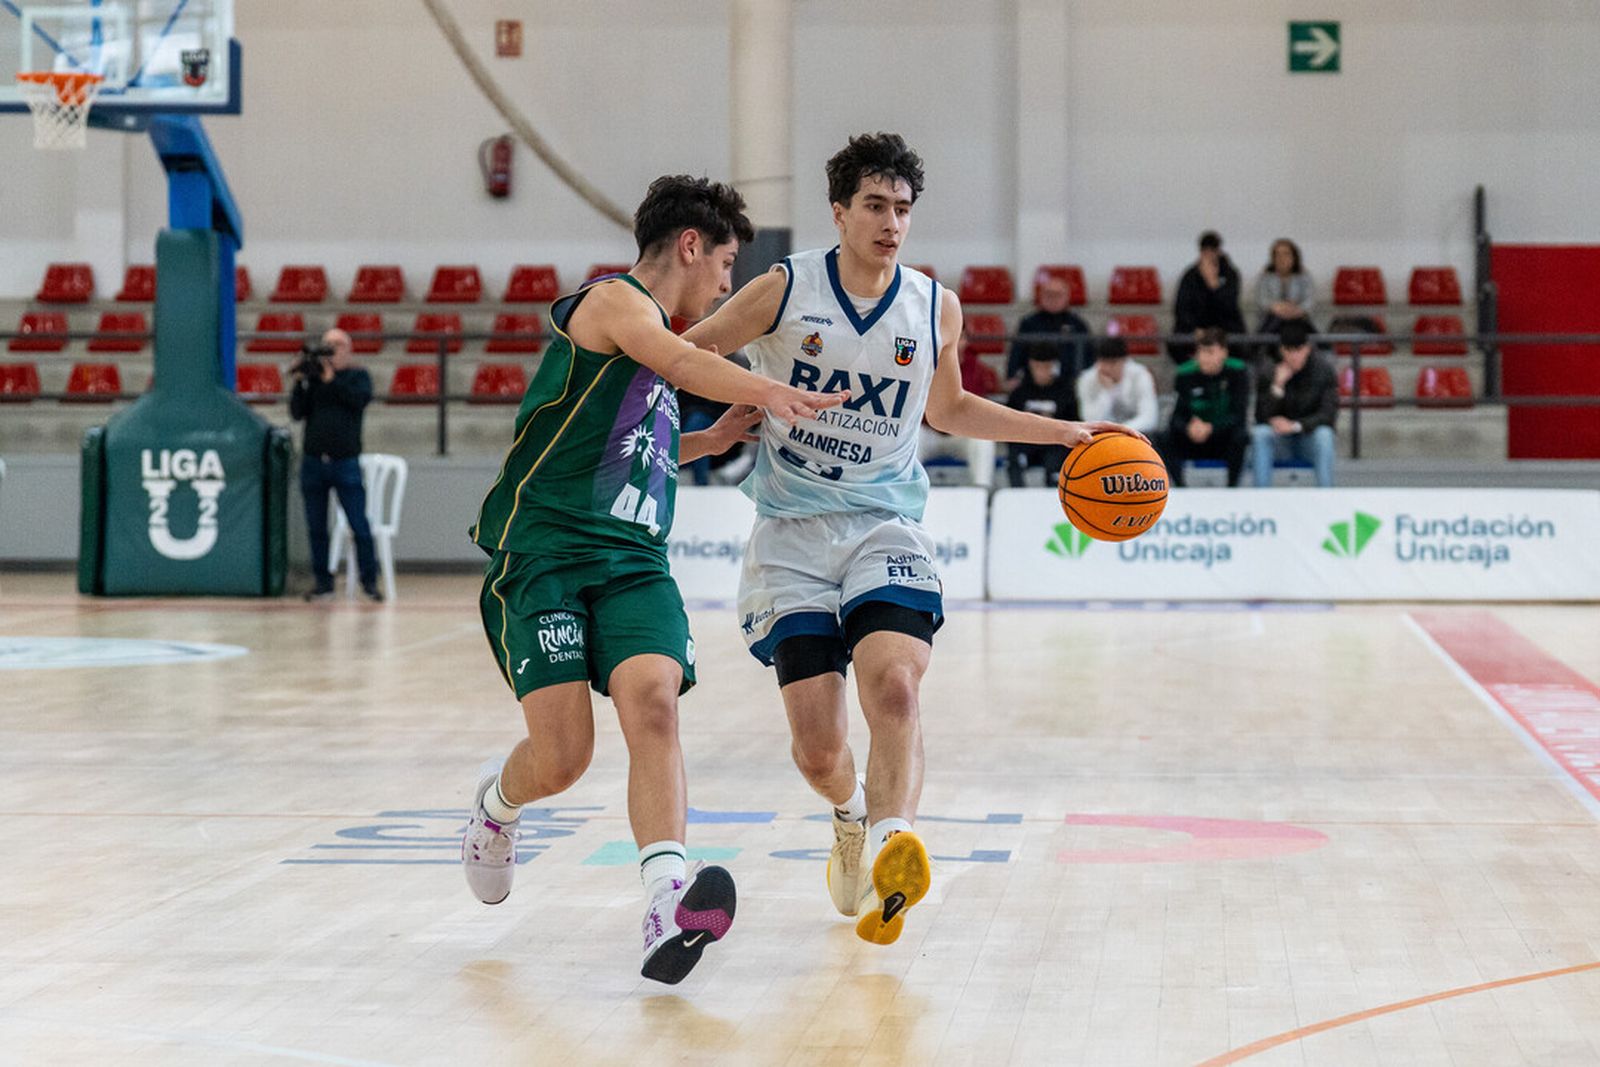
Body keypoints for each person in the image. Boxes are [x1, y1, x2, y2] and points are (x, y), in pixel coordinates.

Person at [684, 132, 1144, 946]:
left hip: (884, 525)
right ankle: (852, 817)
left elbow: (949, 410)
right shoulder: (784, 289)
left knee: (895, 688)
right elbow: (685, 354)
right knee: (818, 748)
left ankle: (895, 843)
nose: (891, 221)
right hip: (790, 534)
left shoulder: (934, 306)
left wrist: (1062, 431)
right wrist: (722, 422)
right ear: (838, 211)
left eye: (902, 208)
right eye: (874, 205)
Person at [460, 175, 845, 985]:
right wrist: (771, 389)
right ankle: (497, 807)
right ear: (690, 245)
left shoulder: (654, 350)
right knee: (563, 757)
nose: (726, 285)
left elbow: (649, 451)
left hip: (634, 561)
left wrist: (715, 438)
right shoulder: (614, 307)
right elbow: (678, 357)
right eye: (727, 264)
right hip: (547, 556)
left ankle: (666, 897)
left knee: (655, 705)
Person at [289, 328, 380, 602]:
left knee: (359, 524)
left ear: (348, 349)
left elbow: (358, 402)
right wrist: (300, 381)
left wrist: (331, 381)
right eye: (327, 345)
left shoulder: (357, 377)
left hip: (345, 462)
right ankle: (323, 582)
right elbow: (296, 413)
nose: (332, 351)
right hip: (314, 462)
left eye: (337, 346)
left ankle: (369, 581)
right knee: (316, 527)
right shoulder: (313, 381)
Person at [1252, 319, 1339, 487]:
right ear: (1281, 350)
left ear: (1307, 348)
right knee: (1260, 434)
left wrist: (1295, 426)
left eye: (1298, 350)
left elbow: (1328, 415)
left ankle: (1327, 496)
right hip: (1280, 440)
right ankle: (1260, 498)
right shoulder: (1269, 372)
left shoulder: (1324, 371)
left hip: (1308, 438)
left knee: (1325, 436)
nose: (1294, 356)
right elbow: (1261, 416)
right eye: (1288, 350)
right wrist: (1277, 387)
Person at [1163, 327, 1252, 488]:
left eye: (1210, 352)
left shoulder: (1237, 372)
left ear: (1224, 352)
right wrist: (1188, 427)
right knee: (1163, 438)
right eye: (1201, 352)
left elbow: (1239, 415)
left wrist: (1211, 427)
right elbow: (1176, 416)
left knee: (1241, 436)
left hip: (1222, 437)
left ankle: (1232, 489)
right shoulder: (1185, 374)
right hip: (1193, 437)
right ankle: (1181, 487)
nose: (1204, 358)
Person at [1003, 272, 1092, 390]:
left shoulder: (1078, 324)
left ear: (1067, 297)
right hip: (1032, 384)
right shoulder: (1028, 323)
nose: (1053, 298)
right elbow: (1016, 352)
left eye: (1057, 294)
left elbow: (1090, 356)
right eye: (1048, 294)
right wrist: (1011, 375)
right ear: (1040, 296)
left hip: (1070, 385)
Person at [1004, 352, 1078, 486]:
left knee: (1056, 462)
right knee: (1014, 458)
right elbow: (1008, 419)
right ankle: (1015, 494)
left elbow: (1074, 421)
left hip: (1055, 442)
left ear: (1053, 367)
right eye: (1038, 367)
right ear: (1031, 366)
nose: (1041, 372)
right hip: (1026, 441)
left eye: (1046, 367)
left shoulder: (1065, 391)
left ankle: (1054, 496)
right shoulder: (1020, 392)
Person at [1171, 230, 1245, 364]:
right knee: (1176, 341)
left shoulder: (1230, 274)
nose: (1209, 255)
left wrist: (1213, 285)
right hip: (1196, 327)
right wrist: (1194, 329)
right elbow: (1181, 307)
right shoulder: (1190, 275)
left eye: (1213, 251)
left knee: (1239, 341)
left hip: (1224, 328)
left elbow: (1230, 306)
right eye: (1205, 251)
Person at [1075, 337, 1159, 437]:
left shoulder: (1140, 375)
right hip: (1101, 436)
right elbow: (1089, 419)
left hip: (1136, 435)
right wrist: (1106, 392)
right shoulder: (1087, 379)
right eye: (1103, 362)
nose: (1107, 368)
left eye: (1113, 363)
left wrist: (1121, 431)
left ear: (1124, 361)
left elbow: (1149, 418)